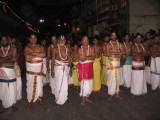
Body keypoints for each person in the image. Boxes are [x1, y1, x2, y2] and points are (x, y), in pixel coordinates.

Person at [24, 33, 46, 110]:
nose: (33, 39)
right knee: (30, 84)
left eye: (35, 38)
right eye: (32, 38)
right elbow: (27, 56)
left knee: (40, 84)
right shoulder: (27, 47)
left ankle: (40, 99)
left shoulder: (40, 47)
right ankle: (30, 101)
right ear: (29, 39)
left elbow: (43, 54)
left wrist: (32, 53)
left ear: (36, 39)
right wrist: (38, 55)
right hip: (30, 69)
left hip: (38, 68)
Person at [51, 35, 72, 108]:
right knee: (58, 84)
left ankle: (65, 98)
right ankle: (57, 100)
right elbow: (53, 60)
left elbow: (69, 58)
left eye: (63, 39)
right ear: (58, 40)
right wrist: (52, 70)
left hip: (66, 67)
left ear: (65, 40)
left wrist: (71, 69)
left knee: (65, 84)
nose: (62, 41)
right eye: (60, 39)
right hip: (58, 68)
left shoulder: (68, 48)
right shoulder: (55, 49)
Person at [0, 35, 18, 113]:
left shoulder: (13, 49)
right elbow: (11, 58)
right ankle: (5, 105)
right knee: (3, 89)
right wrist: (8, 58)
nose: (3, 42)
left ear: (8, 41)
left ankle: (13, 104)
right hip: (2, 71)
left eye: (5, 40)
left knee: (12, 88)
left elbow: (15, 59)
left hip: (11, 71)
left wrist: (3, 59)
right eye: (2, 40)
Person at [106, 31, 125, 101]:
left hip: (117, 62)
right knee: (112, 79)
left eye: (115, 35)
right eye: (112, 36)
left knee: (118, 79)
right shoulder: (108, 44)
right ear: (110, 37)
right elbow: (108, 54)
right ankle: (111, 94)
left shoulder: (120, 44)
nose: (113, 37)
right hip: (111, 62)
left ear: (116, 36)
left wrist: (114, 53)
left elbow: (123, 52)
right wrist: (117, 53)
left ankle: (117, 93)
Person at [77, 36, 94, 105]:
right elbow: (81, 59)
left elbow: (94, 57)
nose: (85, 41)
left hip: (90, 67)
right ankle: (83, 99)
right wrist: (89, 57)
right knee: (84, 83)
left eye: (87, 40)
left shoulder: (91, 48)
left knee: (89, 83)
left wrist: (86, 57)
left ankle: (87, 97)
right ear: (81, 41)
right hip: (84, 67)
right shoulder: (79, 49)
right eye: (84, 40)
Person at [131, 33, 148, 97]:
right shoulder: (133, 45)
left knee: (142, 77)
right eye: (137, 38)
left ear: (141, 39)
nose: (139, 39)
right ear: (135, 39)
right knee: (135, 77)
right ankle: (134, 92)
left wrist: (139, 54)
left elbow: (146, 54)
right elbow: (134, 54)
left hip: (142, 62)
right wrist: (141, 54)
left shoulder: (143, 45)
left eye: (140, 38)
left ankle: (142, 91)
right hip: (135, 62)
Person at [10, 36, 24, 102]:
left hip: (15, 66)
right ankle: (12, 99)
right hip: (8, 67)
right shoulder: (4, 47)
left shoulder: (14, 47)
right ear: (9, 39)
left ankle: (19, 97)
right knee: (11, 84)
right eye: (12, 40)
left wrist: (18, 55)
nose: (13, 42)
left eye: (14, 41)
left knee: (19, 82)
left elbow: (17, 56)